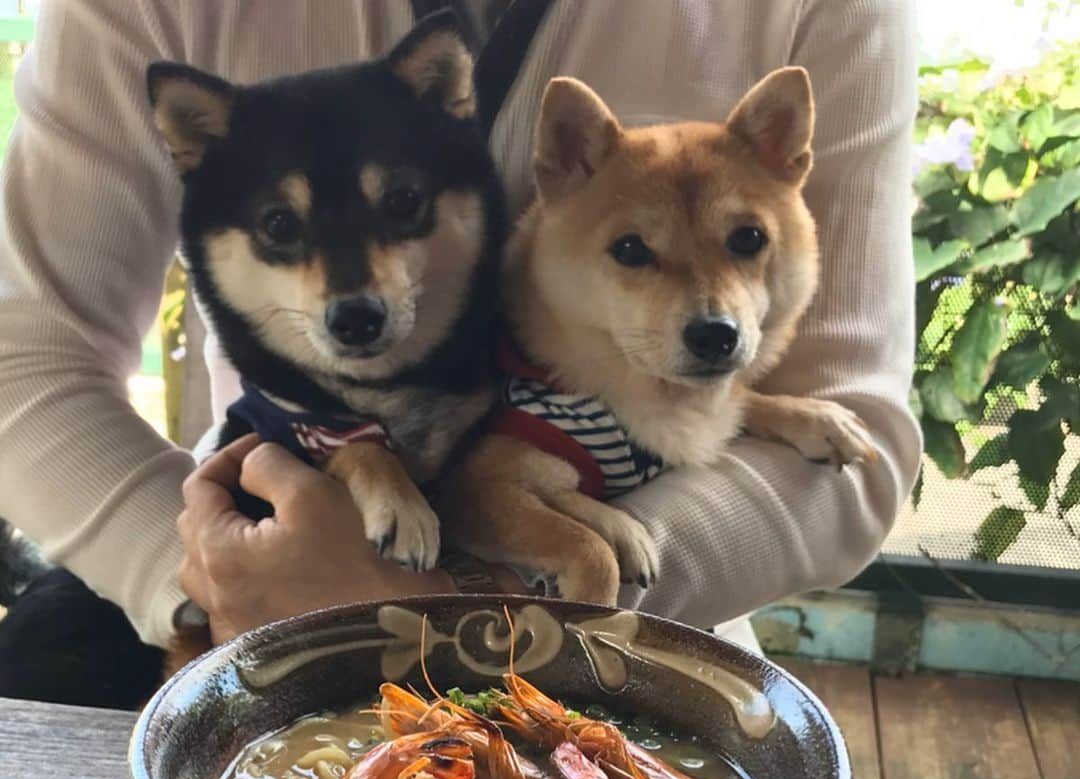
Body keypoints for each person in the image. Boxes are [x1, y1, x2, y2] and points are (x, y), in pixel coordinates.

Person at [0, 0, 920, 707]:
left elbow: (858, 440)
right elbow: (28, 361)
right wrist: (222, 581)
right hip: (252, 588)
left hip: (644, 630)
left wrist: (471, 604)